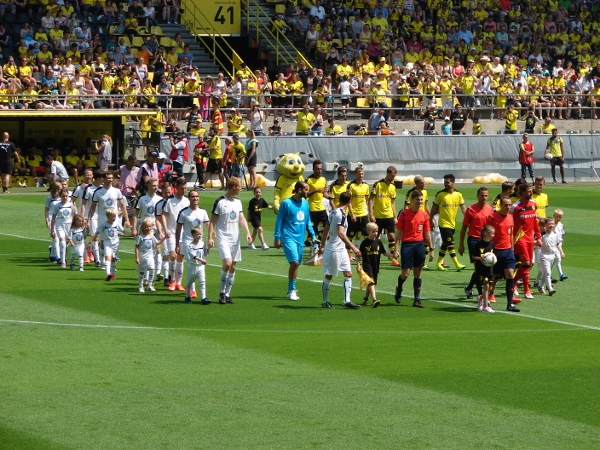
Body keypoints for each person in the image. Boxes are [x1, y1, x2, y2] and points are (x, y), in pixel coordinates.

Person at [208, 177, 252, 304]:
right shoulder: (220, 202)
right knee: (227, 263)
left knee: (233, 266)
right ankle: (221, 292)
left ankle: (227, 294)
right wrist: (210, 237)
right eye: (239, 187)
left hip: (235, 238)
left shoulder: (238, 202)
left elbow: (242, 219)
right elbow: (213, 221)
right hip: (223, 237)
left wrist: (247, 233)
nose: (240, 189)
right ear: (234, 187)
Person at [317, 192, 361, 309]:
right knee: (329, 275)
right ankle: (325, 301)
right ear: (350, 201)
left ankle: (347, 300)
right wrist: (353, 247)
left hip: (340, 249)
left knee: (348, 273)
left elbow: (325, 230)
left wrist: (322, 245)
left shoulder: (333, 212)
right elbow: (341, 233)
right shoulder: (340, 214)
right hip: (334, 249)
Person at [274, 181, 316, 301]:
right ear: (299, 190)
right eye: (306, 189)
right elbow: (279, 221)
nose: (308, 192)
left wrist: (312, 234)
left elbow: (307, 221)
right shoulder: (286, 203)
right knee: (295, 262)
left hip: (300, 239)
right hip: (288, 237)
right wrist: (277, 237)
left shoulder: (305, 204)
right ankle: (292, 290)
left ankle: (290, 290)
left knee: (297, 264)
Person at [393, 190, 434, 308]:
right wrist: (395, 249)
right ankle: (399, 287)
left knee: (418, 273)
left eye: (421, 200)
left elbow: (427, 233)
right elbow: (398, 233)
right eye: (418, 200)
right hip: (407, 246)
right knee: (405, 274)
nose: (420, 202)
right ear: (412, 201)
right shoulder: (404, 214)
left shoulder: (424, 215)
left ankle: (417, 299)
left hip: (419, 245)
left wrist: (431, 249)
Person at [486, 196, 521, 312]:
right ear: (501, 205)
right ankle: (486, 299)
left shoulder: (511, 218)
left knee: (510, 275)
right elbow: (486, 233)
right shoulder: (492, 217)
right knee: (492, 277)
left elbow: (510, 234)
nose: (508, 207)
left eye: (510, 205)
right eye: (506, 205)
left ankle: (509, 303)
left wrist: (512, 248)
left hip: (507, 251)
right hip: (495, 251)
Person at [458, 187, 493, 299]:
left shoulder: (489, 209)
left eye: (486, 196)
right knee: (478, 267)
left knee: (480, 268)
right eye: (482, 195)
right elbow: (464, 227)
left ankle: (469, 288)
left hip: (486, 241)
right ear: (477, 196)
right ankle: (480, 294)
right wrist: (461, 244)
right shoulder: (471, 210)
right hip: (474, 240)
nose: (484, 198)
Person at [175, 189, 210, 296]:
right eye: (192, 196)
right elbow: (178, 229)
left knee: (198, 264)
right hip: (187, 242)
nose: (195, 198)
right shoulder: (184, 212)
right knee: (191, 264)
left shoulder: (202, 212)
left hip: (199, 242)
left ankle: (191, 287)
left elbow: (208, 226)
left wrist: (210, 238)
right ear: (189, 198)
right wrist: (177, 244)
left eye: (196, 196)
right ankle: (192, 290)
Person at [430, 174, 466, 271]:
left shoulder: (458, 194)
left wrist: (467, 219)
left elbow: (463, 208)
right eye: (444, 182)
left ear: (453, 182)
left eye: (447, 182)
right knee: (451, 243)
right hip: (443, 223)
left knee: (445, 243)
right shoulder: (440, 194)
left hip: (452, 223)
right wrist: (430, 220)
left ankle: (438, 264)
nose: (445, 184)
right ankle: (457, 264)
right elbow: (434, 208)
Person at [512, 183, 541, 300]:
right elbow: (510, 223)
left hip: (530, 239)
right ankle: (526, 290)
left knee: (528, 264)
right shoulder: (516, 207)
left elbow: (534, 222)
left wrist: (538, 237)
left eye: (531, 191)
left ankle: (513, 284)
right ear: (522, 192)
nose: (530, 193)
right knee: (527, 263)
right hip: (520, 239)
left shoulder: (534, 204)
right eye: (528, 191)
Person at [158, 177, 189, 288]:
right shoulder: (169, 201)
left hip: (184, 234)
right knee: (173, 256)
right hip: (171, 232)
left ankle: (178, 283)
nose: (184, 191)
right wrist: (165, 229)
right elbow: (163, 214)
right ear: (176, 188)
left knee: (180, 258)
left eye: (185, 188)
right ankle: (172, 279)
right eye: (182, 188)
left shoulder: (187, 201)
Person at [368, 166, 399, 266]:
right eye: (392, 176)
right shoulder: (378, 184)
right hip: (378, 216)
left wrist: (395, 217)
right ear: (387, 173)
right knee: (375, 236)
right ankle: (374, 254)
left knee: (391, 235)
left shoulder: (393, 187)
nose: (393, 178)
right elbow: (370, 199)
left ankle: (393, 257)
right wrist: (371, 214)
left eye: (394, 176)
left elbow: (393, 202)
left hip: (389, 215)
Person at [359, 222, 393, 308]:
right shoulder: (364, 243)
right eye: (373, 231)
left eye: (377, 231)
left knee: (371, 283)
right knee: (371, 282)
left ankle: (365, 299)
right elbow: (358, 254)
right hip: (367, 265)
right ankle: (374, 299)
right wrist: (358, 264)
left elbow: (384, 253)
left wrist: (392, 255)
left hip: (375, 265)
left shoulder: (378, 242)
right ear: (368, 232)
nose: (375, 233)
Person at [91, 208, 123, 281]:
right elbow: (96, 233)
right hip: (107, 243)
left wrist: (132, 233)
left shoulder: (116, 224)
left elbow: (123, 231)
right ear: (108, 216)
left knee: (113, 260)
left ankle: (112, 274)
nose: (114, 218)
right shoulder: (104, 225)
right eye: (113, 216)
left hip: (115, 244)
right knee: (108, 258)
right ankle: (108, 274)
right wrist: (90, 242)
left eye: (115, 216)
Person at [135, 217, 164, 293]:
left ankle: (150, 285)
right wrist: (137, 257)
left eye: (150, 226)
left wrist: (164, 238)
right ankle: (140, 286)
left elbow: (157, 243)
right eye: (146, 226)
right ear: (143, 227)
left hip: (150, 256)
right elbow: (137, 247)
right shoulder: (140, 237)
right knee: (142, 272)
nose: (148, 228)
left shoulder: (151, 236)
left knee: (152, 269)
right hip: (143, 257)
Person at [472, 224, 497, 313]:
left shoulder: (492, 244)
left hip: (490, 269)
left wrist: (493, 260)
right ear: (486, 233)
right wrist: (480, 259)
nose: (493, 236)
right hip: (481, 269)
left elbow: (493, 255)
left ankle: (480, 297)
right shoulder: (478, 244)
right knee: (486, 286)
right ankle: (486, 306)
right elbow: (473, 256)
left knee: (490, 288)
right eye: (492, 234)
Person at [184, 226, 211, 304]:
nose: (199, 236)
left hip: (200, 266)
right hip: (193, 266)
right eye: (197, 234)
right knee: (189, 282)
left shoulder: (202, 244)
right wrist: (202, 260)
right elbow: (193, 256)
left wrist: (209, 247)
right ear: (193, 235)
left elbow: (205, 253)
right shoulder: (190, 245)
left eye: (200, 234)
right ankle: (187, 297)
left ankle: (203, 298)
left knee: (202, 281)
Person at [50, 188, 76, 268]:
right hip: (60, 224)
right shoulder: (57, 205)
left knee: (67, 243)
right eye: (63, 196)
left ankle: (64, 258)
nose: (65, 197)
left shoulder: (71, 205)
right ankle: (63, 261)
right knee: (62, 242)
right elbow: (53, 218)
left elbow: (74, 215)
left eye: (66, 196)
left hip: (68, 225)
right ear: (60, 196)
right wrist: (52, 230)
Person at [347, 166, 370, 249]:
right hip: (354, 214)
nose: (361, 175)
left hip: (363, 214)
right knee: (351, 234)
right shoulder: (351, 186)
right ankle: (348, 254)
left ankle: (366, 251)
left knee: (367, 233)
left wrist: (370, 212)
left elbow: (367, 199)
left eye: (362, 174)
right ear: (355, 174)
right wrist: (352, 214)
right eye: (359, 174)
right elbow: (348, 201)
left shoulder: (366, 186)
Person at [537, 218, 560, 296]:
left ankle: (540, 286)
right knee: (548, 273)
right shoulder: (542, 234)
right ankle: (550, 289)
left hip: (552, 256)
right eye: (550, 224)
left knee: (545, 273)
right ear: (545, 225)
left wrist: (557, 254)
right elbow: (537, 242)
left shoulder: (555, 234)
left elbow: (556, 245)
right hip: (544, 256)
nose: (551, 225)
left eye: (552, 224)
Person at [551, 208, 568, 282]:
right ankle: (560, 275)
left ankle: (558, 275)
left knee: (556, 260)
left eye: (560, 217)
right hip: (553, 245)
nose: (558, 218)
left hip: (559, 244)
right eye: (557, 216)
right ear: (553, 216)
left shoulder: (561, 225)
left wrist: (561, 241)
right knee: (555, 259)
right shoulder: (551, 224)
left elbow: (561, 235)